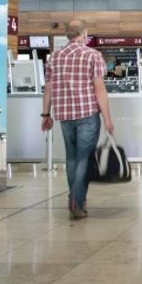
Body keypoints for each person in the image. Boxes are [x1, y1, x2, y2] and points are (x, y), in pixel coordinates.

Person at [41, 20, 114, 220]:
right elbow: (99, 88)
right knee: (84, 158)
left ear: (67, 35)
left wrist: (45, 114)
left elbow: (48, 88)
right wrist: (107, 118)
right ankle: (77, 200)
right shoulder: (93, 55)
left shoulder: (54, 58)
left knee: (72, 157)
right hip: (87, 114)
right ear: (84, 34)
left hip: (64, 116)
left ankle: (74, 198)